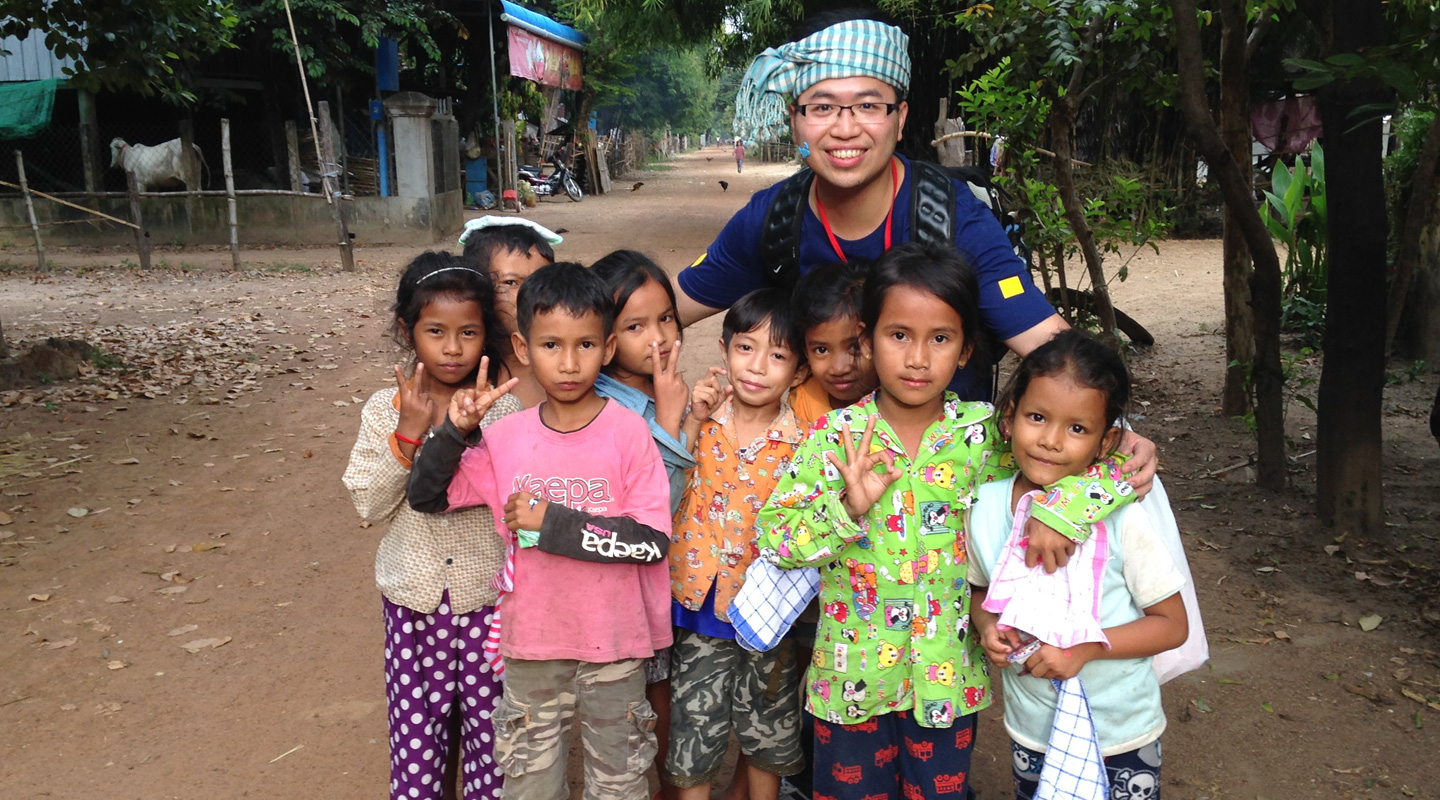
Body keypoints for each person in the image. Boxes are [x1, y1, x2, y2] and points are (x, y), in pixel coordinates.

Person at [672, 10, 1159, 507]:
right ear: (793, 118)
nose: (844, 128)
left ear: (900, 118)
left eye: (868, 105)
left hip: (947, 497)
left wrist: (1117, 427)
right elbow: (661, 311)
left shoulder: (955, 221)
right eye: (821, 107)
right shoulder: (773, 220)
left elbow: (1046, 341)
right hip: (817, 495)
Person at [755, 242, 1134, 799]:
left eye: (940, 338)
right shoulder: (831, 440)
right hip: (851, 683)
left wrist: (1062, 509)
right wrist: (847, 510)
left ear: (964, 351)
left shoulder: (984, 436)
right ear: (866, 341)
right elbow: (775, 538)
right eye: (899, 335)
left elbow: (1114, 455)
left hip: (947, 684)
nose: (917, 358)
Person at [407, 263, 674, 800]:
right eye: (551, 344)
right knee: (530, 785)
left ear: (606, 348)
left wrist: (551, 523)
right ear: (524, 348)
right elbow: (426, 495)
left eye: (585, 345)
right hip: (530, 646)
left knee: (619, 785)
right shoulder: (505, 438)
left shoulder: (630, 435)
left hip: (614, 649)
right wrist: (455, 432)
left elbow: (650, 543)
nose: (569, 363)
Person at [968, 330, 1189, 798]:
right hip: (1033, 730)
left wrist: (1085, 649)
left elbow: (1172, 626)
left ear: (1106, 441)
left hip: (1122, 732)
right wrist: (987, 626)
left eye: (1076, 428)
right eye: (1036, 417)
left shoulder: (1123, 519)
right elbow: (981, 591)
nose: (1050, 440)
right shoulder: (985, 507)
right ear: (1009, 417)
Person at [342, 251, 523, 800]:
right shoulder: (383, 409)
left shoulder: (504, 413)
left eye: (468, 332)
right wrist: (408, 435)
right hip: (412, 606)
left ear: (486, 332)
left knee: (494, 745)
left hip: (487, 607)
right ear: (407, 330)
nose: (452, 348)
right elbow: (367, 505)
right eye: (435, 331)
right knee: (419, 746)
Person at [665, 290, 810, 800]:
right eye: (746, 348)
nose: (757, 367)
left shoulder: (806, 444)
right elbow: (665, 488)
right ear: (725, 351)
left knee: (766, 733)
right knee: (693, 732)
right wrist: (690, 421)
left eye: (777, 355)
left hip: (766, 617)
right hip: (699, 606)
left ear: (796, 373)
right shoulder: (702, 422)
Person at [590, 249, 698, 799]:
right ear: (606, 339)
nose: (656, 336)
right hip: (632, 588)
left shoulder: (654, 391)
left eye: (665, 319)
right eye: (635, 325)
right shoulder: (610, 409)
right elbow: (655, 508)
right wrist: (675, 419)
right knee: (648, 707)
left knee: (668, 694)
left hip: (671, 581)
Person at [459, 216, 561, 408]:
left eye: (539, 280)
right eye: (510, 283)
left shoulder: (569, 370)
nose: (529, 295)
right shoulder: (457, 367)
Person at [789, 259, 879, 422]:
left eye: (855, 347)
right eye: (821, 350)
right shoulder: (803, 402)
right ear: (805, 352)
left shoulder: (899, 407)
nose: (839, 369)